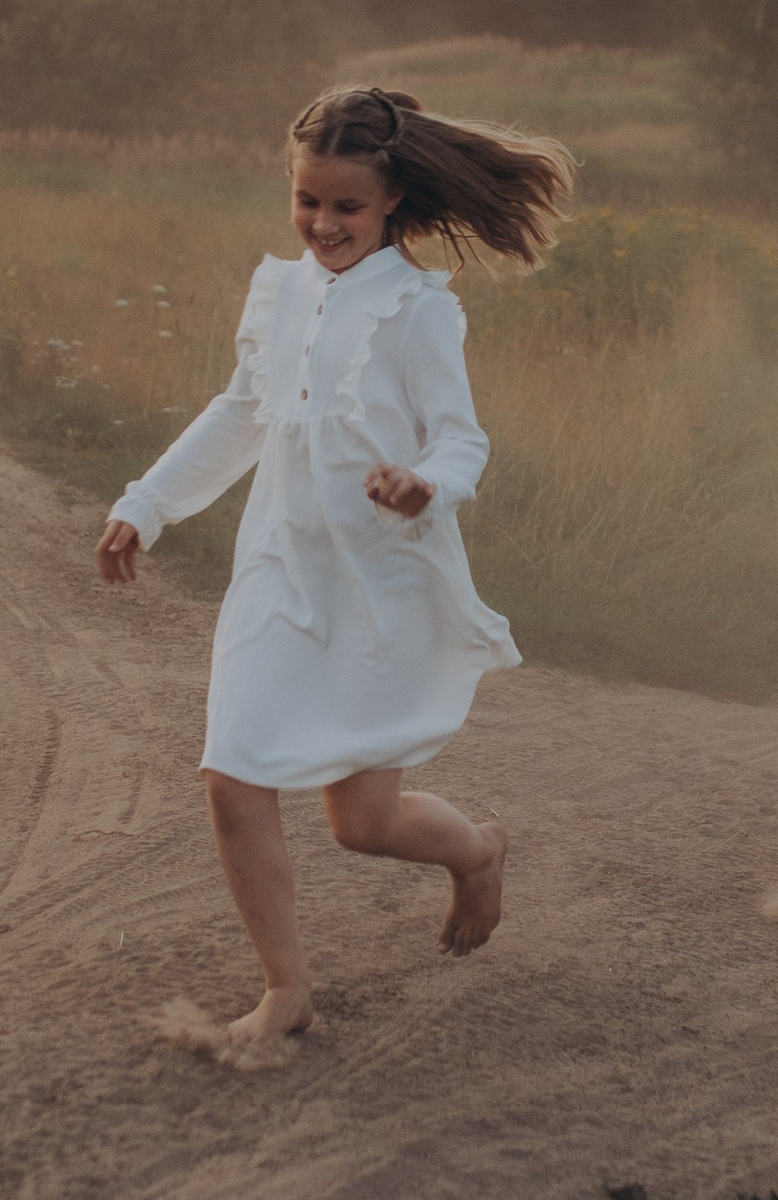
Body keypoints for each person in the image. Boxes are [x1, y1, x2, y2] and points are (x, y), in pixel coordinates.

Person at [95, 83, 569, 1065]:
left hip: (378, 582)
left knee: (361, 823)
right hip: (278, 567)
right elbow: (239, 413)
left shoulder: (418, 309)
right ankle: (287, 990)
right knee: (232, 777)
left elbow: (462, 441)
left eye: (346, 206)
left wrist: (424, 486)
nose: (322, 223)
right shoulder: (277, 290)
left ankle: (476, 852)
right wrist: (145, 502)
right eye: (308, 200)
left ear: (393, 199)